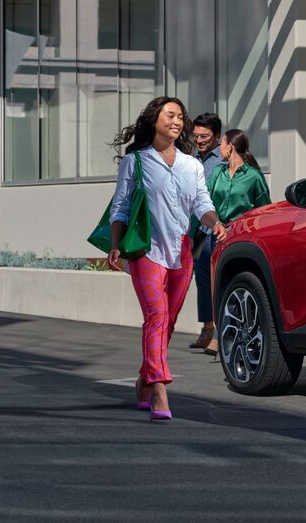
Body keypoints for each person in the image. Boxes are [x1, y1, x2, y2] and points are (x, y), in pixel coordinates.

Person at [107, 97, 226, 421]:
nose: (177, 121)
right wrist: (115, 245)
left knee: (168, 322)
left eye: (180, 116)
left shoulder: (192, 165)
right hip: (146, 251)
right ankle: (159, 387)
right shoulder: (135, 161)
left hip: (181, 251)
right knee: (157, 316)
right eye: (170, 114)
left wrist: (215, 223)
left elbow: (202, 203)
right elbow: (121, 206)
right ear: (154, 119)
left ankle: (144, 378)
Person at [198, 129, 271, 355]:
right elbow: (204, 201)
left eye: (221, 144)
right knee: (215, 285)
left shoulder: (254, 176)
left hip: (241, 237)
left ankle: (238, 334)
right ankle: (219, 334)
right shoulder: (217, 173)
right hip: (217, 235)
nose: (219, 148)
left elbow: (264, 210)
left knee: (236, 285)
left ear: (230, 147)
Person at [188, 112, 223, 351]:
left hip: (219, 228)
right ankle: (207, 328)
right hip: (199, 230)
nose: (199, 141)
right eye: (196, 136)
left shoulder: (224, 159)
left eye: (205, 136)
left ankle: (220, 334)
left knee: (217, 281)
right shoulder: (192, 160)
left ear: (217, 136)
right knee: (202, 281)